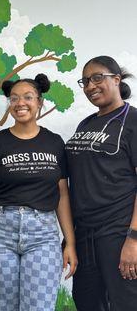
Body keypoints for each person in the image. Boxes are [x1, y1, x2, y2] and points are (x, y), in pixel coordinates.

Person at [0, 74, 77, 311]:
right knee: (5, 307)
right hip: (2, 236)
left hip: (43, 235)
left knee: (39, 307)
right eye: (14, 98)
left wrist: (69, 242)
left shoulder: (54, 143)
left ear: (39, 102)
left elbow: (62, 195)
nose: (20, 103)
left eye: (28, 97)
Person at [65, 55, 137, 311]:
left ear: (117, 79)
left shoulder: (133, 120)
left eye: (98, 78)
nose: (90, 86)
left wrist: (134, 240)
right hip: (85, 233)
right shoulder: (85, 123)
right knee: (86, 302)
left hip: (118, 233)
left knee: (126, 302)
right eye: (85, 81)